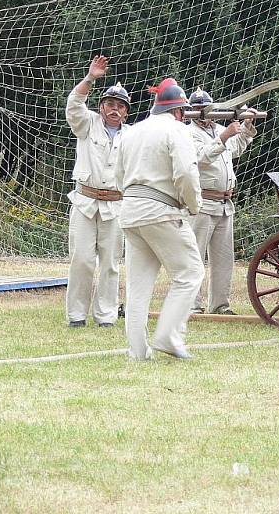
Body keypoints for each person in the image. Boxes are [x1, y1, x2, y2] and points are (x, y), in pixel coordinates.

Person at [116, 78, 205, 359]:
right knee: (190, 273)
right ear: (179, 111)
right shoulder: (177, 130)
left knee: (138, 287)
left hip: (130, 212)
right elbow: (186, 174)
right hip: (161, 211)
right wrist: (193, 205)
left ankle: (138, 352)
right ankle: (168, 336)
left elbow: (118, 177)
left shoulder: (131, 132)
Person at [65, 55, 130, 328]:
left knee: (111, 264)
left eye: (119, 106)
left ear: (126, 112)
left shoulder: (133, 135)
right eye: (110, 104)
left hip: (115, 206)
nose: (114, 110)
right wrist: (91, 78)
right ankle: (77, 316)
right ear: (101, 107)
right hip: (84, 202)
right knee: (81, 259)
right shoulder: (87, 123)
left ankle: (106, 315)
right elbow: (73, 104)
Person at [186, 88, 259, 316]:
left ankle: (220, 305)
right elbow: (200, 157)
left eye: (208, 108)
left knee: (224, 259)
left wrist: (247, 126)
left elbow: (236, 148)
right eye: (200, 109)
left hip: (225, 203)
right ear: (192, 111)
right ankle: (191, 306)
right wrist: (225, 136)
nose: (206, 114)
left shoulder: (218, 129)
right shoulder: (187, 133)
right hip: (202, 203)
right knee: (194, 257)